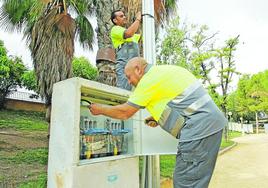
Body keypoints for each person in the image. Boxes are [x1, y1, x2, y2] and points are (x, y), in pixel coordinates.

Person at [89, 57, 227, 188]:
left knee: (185, 181)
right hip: (211, 127)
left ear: (138, 69)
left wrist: (100, 109)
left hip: (199, 131)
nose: (129, 82)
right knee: (195, 181)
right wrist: (159, 119)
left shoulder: (148, 80)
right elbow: (181, 103)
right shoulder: (164, 72)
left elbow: (125, 112)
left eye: (129, 76)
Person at [110, 9, 142, 91]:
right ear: (115, 20)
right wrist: (138, 19)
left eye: (124, 15)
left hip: (135, 70)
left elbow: (136, 33)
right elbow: (129, 33)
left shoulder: (133, 36)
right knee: (124, 93)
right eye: (121, 16)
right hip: (124, 67)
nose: (124, 17)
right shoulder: (115, 29)